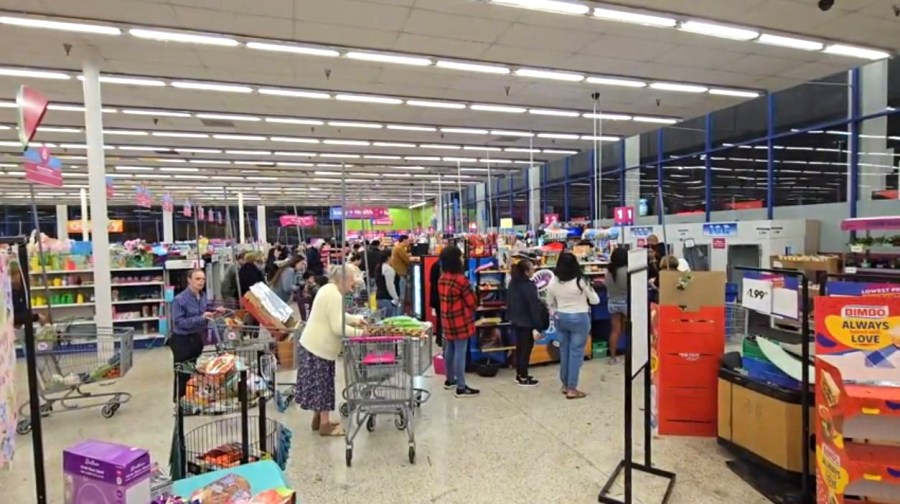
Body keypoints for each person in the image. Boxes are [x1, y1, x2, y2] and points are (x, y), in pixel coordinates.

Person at [296, 265, 367, 436]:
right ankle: (325, 425)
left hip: (313, 344)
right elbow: (337, 327)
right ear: (342, 279)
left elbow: (337, 315)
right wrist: (361, 333)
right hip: (319, 347)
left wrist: (356, 320)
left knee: (317, 384)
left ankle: (318, 419)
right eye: (352, 280)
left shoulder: (328, 289)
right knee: (323, 386)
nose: (354, 284)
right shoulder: (334, 295)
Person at [547, 252, 599, 399]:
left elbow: (549, 300)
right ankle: (572, 388)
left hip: (561, 317)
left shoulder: (554, 281)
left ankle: (564, 384)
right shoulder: (581, 281)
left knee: (564, 351)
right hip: (579, 318)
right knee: (576, 353)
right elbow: (595, 300)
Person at [170, 269, 224, 400]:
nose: (201, 282)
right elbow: (179, 322)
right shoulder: (179, 300)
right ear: (189, 280)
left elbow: (204, 311)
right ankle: (179, 402)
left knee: (195, 370)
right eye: (197, 279)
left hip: (197, 338)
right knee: (183, 372)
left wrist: (214, 311)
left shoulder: (203, 296)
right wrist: (202, 318)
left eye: (203, 279)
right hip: (182, 341)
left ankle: (192, 398)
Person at [437, 245, 480, 398]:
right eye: (460, 257)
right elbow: (472, 302)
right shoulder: (461, 280)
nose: (462, 259)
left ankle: (449, 380)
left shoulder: (442, 278)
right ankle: (461, 387)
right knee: (460, 351)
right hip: (461, 320)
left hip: (446, 320)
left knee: (449, 349)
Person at [507, 258, 547, 387]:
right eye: (532, 269)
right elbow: (533, 307)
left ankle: (519, 374)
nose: (534, 270)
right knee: (526, 349)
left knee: (519, 348)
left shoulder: (513, 283)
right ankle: (523, 377)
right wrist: (538, 326)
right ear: (526, 272)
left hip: (515, 320)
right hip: (526, 322)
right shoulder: (529, 286)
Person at [604, 248, 629, 365]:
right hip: (627, 302)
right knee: (629, 330)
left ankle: (613, 357)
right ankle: (632, 355)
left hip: (613, 302)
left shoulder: (609, 271)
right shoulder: (628, 270)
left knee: (615, 331)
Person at [10, 260, 46, 328]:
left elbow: (23, 314)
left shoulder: (23, 291)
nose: (30, 278)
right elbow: (11, 318)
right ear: (14, 275)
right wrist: (36, 317)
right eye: (27, 275)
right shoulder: (8, 293)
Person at [374, 250, 401, 317]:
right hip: (387, 299)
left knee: (382, 320)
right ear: (388, 257)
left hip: (379, 298)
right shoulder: (388, 269)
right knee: (390, 321)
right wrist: (396, 297)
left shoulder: (379, 267)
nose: (393, 258)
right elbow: (390, 285)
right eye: (392, 256)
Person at [390, 235, 412, 310]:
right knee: (401, 296)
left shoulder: (397, 247)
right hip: (401, 274)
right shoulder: (399, 248)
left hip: (397, 273)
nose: (409, 242)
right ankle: (400, 313)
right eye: (408, 240)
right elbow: (407, 260)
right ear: (404, 240)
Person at [429, 258, 443, 347]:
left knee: (439, 318)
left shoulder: (435, 265)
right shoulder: (443, 267)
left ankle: (439, 338)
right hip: (440, 297)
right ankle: (441, 339)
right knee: (442, 319)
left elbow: (431, 280)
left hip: (435, 296)